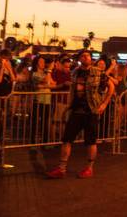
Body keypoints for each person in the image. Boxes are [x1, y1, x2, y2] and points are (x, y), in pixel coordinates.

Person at [46, 50, 115, 179]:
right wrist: (69, 105)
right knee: (66, 139)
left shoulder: (98, 72)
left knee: (91, 141)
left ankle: (89, 168)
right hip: (76, 110)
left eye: (87, 55)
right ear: (79, 59)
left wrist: (104, 104)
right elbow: (72, 90)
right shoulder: (75, 72)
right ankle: (61, 168)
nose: (86, 57)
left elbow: (111, 86)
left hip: (91, 111)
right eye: (83, 56)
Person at [29, 55, 55, 144]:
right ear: (36, 64)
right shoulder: (34, 74)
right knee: (35, 122)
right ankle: (32, 141)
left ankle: (45, 141)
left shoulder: (46, 73)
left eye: (44, 62)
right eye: (41, 62)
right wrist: (48, 72)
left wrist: (44, 84)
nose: (43, 64)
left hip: (47, 100)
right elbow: (47, 82)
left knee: (45, 122)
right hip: (38, 100)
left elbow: (53, 84)